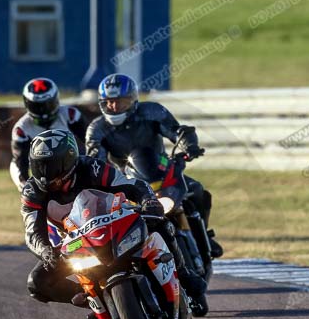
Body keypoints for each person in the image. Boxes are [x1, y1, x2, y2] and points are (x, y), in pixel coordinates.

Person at [21, 129, 207, 305]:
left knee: (159, 222)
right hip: (76, 243)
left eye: (51, 166)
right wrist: (45, 251)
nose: (44, 174)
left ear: (69, 159)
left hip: (115, 223)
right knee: (37, 282)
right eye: (39, 166)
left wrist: (148, 201)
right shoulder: (32, 192)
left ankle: (184, 273)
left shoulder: (91, 167)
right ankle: (94, 299)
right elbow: (32, 232)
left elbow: (132, 185)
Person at [86, 73, 223, 258]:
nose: (115, 107)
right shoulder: (96, 129)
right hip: (126, 180)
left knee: (197, 190)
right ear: (102, 103)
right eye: (109, 102)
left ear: (133, 100)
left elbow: (176, 131)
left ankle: (204, 235)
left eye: (121, 101)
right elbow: (96, 159)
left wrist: (189, 146)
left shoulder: (152, 111)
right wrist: (100, 177)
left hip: (161, 169)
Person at [10, 78, 87, 191]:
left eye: (47, 105)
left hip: (70, 161)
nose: (43, 111)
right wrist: (27, 185)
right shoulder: (21, 129)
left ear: (56, 100)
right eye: (37, 106)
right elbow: (21, 162)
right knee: (14, 166)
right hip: (40, 168)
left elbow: (89, 141)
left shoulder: (71, 115)